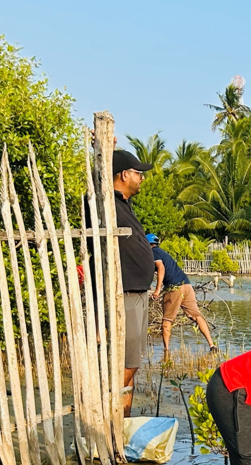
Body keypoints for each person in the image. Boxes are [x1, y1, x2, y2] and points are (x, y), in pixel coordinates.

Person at [110, 150, 155, 417]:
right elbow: (96, 182)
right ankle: (109, 414)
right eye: (139, 173)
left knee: (134, 361)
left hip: (138, 290)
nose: (142, 179)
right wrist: (100, 151)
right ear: (124, 174)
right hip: (125, 291)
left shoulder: (123, 203)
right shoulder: (106, 202)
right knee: (127, 361)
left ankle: (123, 421)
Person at [150, 234, 217, 354]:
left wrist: (157, 290)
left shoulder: (154, 252)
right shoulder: (163, 252)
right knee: (197, 316)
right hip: (187, 285)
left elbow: (161, 268)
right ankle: (212, 345)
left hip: (174, 287)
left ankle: (166, 351)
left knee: (167, 320)